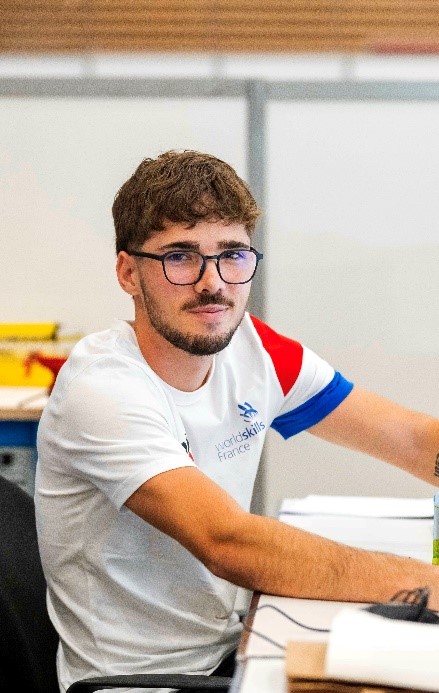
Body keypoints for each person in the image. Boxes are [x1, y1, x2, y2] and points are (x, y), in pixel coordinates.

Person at [35, 150, 439, 693]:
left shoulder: (255, 349)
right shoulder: (102, 389)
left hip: (234, 649)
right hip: (141, 683)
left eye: (232, 255)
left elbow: (412, 440)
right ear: (128, 272)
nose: (214, 283)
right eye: (181, 257)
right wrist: (424, 584)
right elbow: (229, 542)